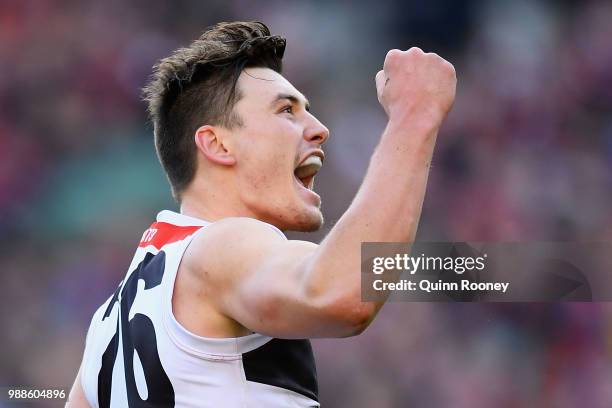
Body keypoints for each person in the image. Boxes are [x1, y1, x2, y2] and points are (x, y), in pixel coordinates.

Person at [66, 21, 456, 407]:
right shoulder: (223, 243)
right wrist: (414, 117)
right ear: (217, 144)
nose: (320, 129)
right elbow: (341, 294)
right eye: (287, 110)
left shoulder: (104, 331)